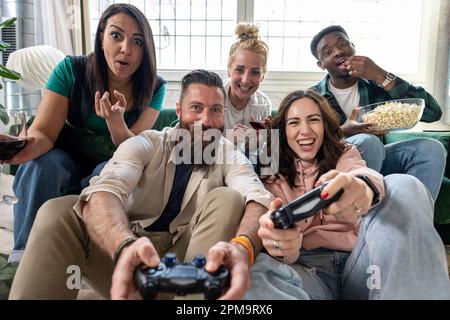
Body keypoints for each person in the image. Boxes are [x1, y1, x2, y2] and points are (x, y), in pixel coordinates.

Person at [9, 69, 272, 300]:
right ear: (179, 110)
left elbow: (257, 197)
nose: (206, 120)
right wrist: (124, 247)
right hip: (128, 257)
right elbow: (105, 190)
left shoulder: (228, 153)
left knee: (228, 197)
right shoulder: (147, 143)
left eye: (215, 110)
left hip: (192, 262)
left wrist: (242, 247)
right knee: (59, 212)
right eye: (196, 108)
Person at [238, 89, 449, 299]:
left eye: (313, 120)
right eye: (294, 123)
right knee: (256, 271)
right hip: (307, 270)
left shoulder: (344, 151)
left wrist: (363, 187)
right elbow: (285, 248)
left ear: (325, 125)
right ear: (283, 131)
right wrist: (283, 246)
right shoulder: (271, 173)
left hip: (362, 264)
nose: (305, 131)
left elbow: (360, 171)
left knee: (406, 185)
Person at [7, 3, 166, 263]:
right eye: (116, 35)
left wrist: (115, 122)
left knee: (108, 177)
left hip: (112, 160)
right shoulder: (70, 70)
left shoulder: (154, 86)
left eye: (137, 42)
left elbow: (134, 149)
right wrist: (21, 148)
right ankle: (24, 258)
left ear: (145, 50)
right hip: (65, 158)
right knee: (40, 166)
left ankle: (92, 259)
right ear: (101, 37)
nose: (126, 49)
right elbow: (44, 135)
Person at [310, 25, 446, 202]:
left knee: (432, 148)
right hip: (336, 167)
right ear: (321, 65)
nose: (338, 51)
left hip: (379, 159)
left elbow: (433, 113)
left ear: (353, 47)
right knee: (369, 142)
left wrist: (381, 75)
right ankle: (356, 224)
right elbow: (304, 144)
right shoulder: (312, 98)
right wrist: (343, 131)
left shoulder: (376, 85)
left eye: (342, 43)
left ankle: (414, 220)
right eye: (328, 51)